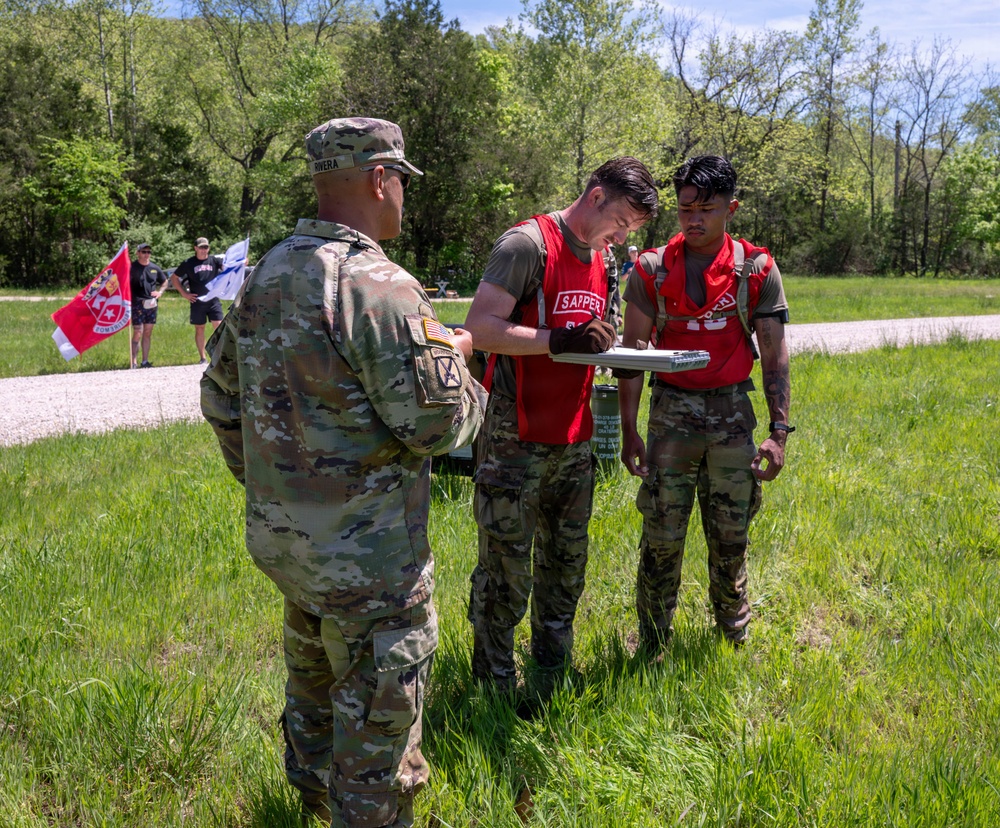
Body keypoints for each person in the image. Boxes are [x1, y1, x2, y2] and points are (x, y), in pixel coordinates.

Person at [200, 117, 486, 827]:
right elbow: (440, 426)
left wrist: (279, 491)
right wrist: (459, 362)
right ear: (381, 179)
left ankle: (311, 805)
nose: (402, 201)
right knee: (377, 757)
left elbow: (219, 396)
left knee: (315, 703)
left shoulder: (269, 271)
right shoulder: (377, 286)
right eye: (401, 185)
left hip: (293, 551)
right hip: (372, 571)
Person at [464, 157, 659, 696]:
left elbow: (600, 335)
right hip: (513, 437)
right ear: (595, 196)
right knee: (506, 572)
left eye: (632, 231)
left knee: (566, 566)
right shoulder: (527, 245)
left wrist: (624, 352)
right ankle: (493, 688)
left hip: (574, 440)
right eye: (621, 221)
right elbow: (479, 329)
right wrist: (556, 340)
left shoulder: (604, 260)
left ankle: (551, 677)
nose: (622, 236)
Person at [617, 154, 791, 651]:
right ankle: (652, 643)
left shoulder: (756, 270)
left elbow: (775, 355)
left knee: (730, 536)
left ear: (730, 209)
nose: (694, 220)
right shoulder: (650, 270)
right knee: (661, 537)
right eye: (685, 208)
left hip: (733, 416)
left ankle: (732, 640)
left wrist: (779, 433)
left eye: (706, 210)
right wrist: (630, 430)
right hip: (671, 417)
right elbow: (631, 357)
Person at [171, 236, 224, 363]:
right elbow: (174, 278)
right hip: (197, 301)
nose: (204, 250)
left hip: (213, 299)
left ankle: (221, 356)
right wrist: (184, 294)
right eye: (201, 247)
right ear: (196, 248)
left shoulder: (215, 261)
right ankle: (203, 358)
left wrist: (242, 262)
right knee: (200, 328)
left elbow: (231, 267)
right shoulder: (189, 263)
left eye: (206, 247)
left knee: (219, 327)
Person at [129, 242, 169, 368]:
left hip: (151, 304)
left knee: (147, 332)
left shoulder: (154, 268)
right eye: (144, 252)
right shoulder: (132, 267)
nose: (146, 254)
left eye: (148, 252)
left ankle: (145, 361)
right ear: (138, 253)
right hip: (137, 303)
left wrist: (160, 292)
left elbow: (165, 281)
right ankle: (133, 361)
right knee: (138, 331)